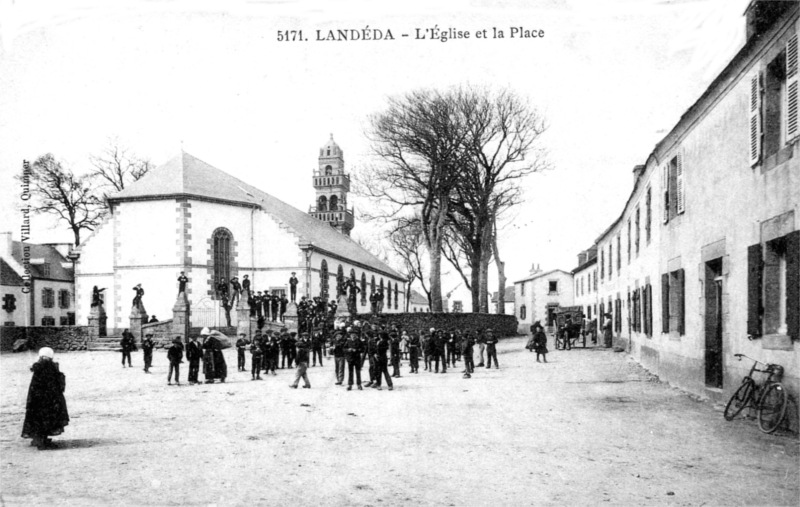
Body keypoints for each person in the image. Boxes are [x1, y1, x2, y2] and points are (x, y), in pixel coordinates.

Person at [21, 347, 69, 450]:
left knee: (36, 418)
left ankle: (38, 438)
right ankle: (42, 442)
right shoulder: (49, 366)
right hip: (47, 399)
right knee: (46, 419)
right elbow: (56, 383)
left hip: (36, 398)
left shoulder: (39, 366)